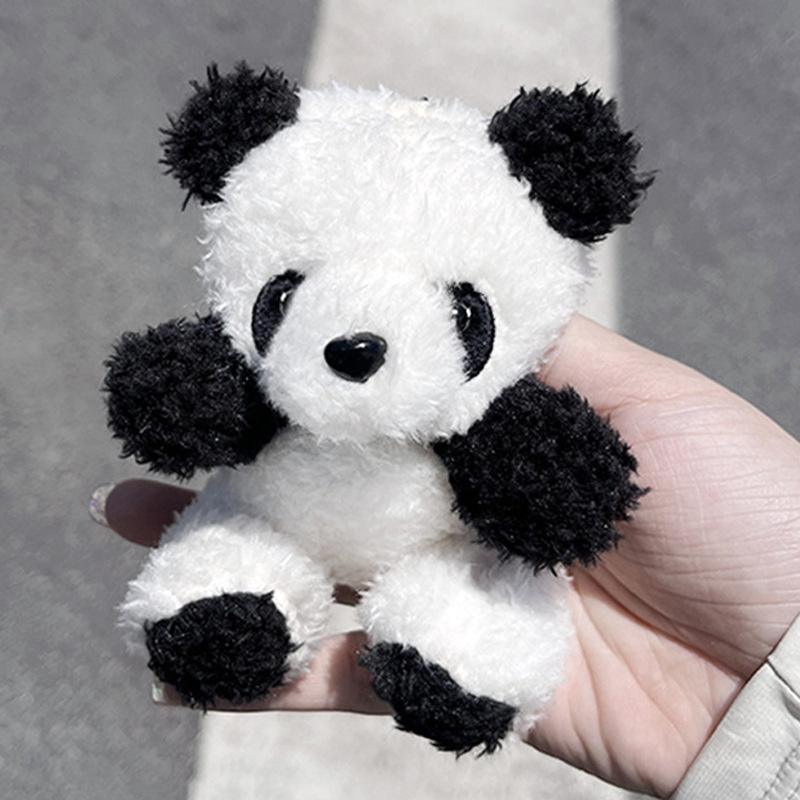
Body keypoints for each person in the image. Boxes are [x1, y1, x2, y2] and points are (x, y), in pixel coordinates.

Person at [91, 316, 800, 798]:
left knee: (472, 601)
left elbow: (564, 477)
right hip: (264, 509)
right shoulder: (259, 353)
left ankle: (460, 661)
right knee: (228, 557)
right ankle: (229, 610)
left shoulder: (492, 386)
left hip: (441, 549)